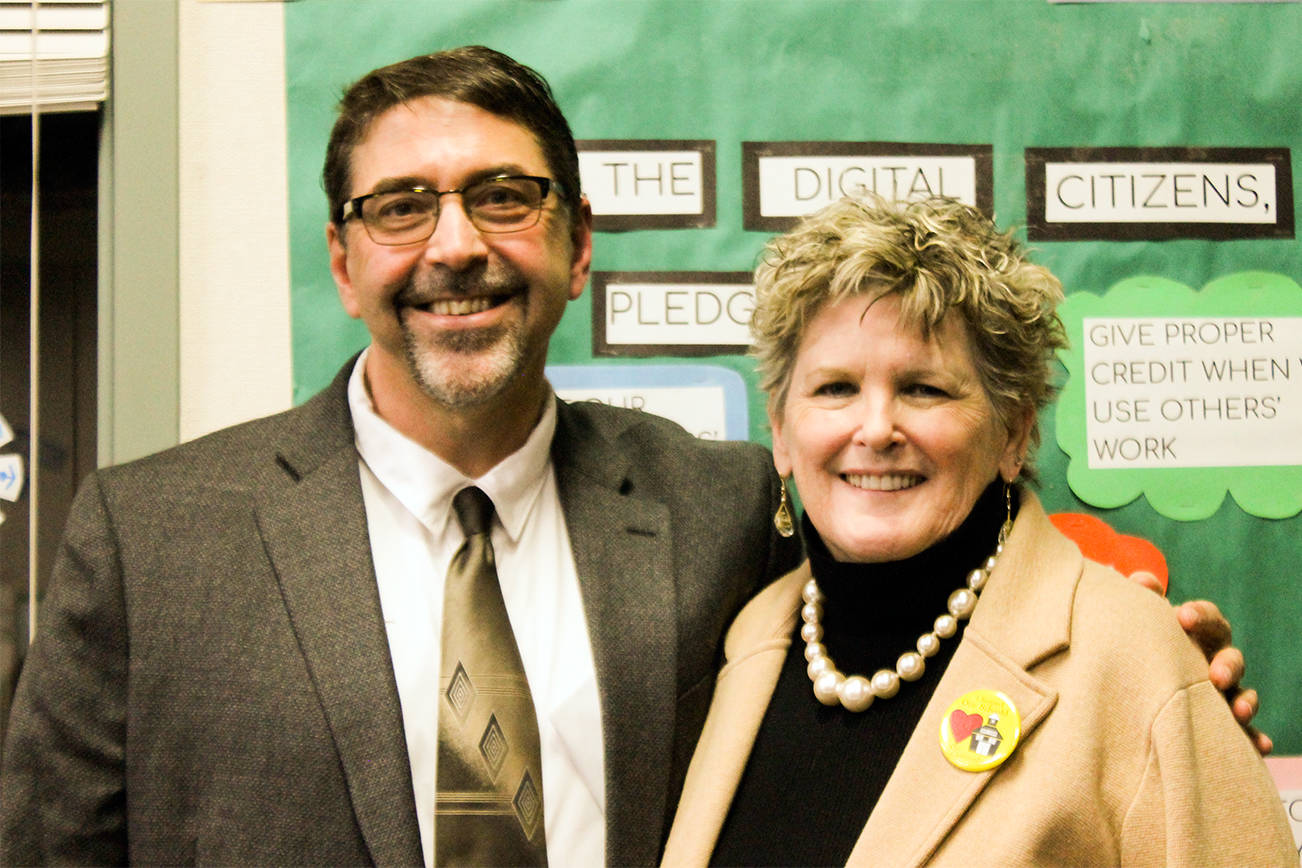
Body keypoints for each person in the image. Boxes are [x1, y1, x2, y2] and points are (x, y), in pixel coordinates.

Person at [0, 47, 1265, 867]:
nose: (457, 245)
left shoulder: (718, 507)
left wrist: (1144, 660)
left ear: (579, 246)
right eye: (401, 207)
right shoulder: (152, 540)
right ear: (342, 260)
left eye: (505, 196)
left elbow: (929, 580)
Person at [661, 195, 1294, 867]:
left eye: (924, 389)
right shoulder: (744, 644)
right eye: (836, 388)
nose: (875, 429)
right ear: (782, 431)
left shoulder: (1137, 661)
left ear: (1013, 433)